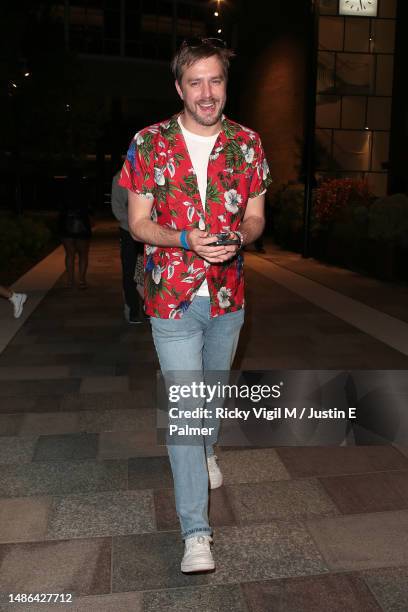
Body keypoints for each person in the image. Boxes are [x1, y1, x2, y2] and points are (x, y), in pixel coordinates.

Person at [119, 37, 272, 573]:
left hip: (228, 295)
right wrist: (184, 239)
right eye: (195, 82)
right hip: (172, 297)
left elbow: (256, 216)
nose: (207, 93)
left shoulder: (248, 144)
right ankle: (196, 534)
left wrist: (242, 237)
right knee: (186, 410)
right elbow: (137, 223)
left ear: (225, 84)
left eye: (216, 80)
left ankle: (208, 447)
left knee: (212, 392)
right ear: (179, 87)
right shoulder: (149, 143)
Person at [111, 171, 145, 323]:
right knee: (129, 271)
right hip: (128, 231)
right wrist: (133, 222)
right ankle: (133, 309)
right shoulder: (119, 178)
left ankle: (149, 307)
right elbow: (117, 208)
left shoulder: (149, 173)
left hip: (150, 232)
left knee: (149, 270)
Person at [58, 170, 92, 289]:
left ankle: (70, 280)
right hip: (82, 222)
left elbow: (59, 206)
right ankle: (81, 280)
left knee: (69, 254)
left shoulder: (63, 189)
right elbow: (90, 206)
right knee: (83, 254)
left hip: (66, 222)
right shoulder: (85, 188)